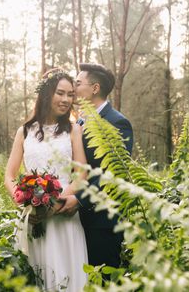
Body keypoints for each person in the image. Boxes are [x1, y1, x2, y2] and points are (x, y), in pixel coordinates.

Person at [4, 68, 88, 291]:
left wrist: (56, 201)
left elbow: (82, 173)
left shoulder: (73, 129)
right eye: (60, 93)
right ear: (46, 94)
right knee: (36, 276)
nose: (66, 99)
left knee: (66, 277)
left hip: (64, 216)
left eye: (71, 94)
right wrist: (22, 201)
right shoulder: (24, 131)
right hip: (33, 218)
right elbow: (10, 175)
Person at [57, 63, 133, 269]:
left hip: (102, 223)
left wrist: (79, 200)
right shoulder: (78, 124)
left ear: (95, 88)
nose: (74, 88)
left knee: (104, 281)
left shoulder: (117, 123)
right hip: (73, 223)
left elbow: (114, 174)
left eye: (78, 83)